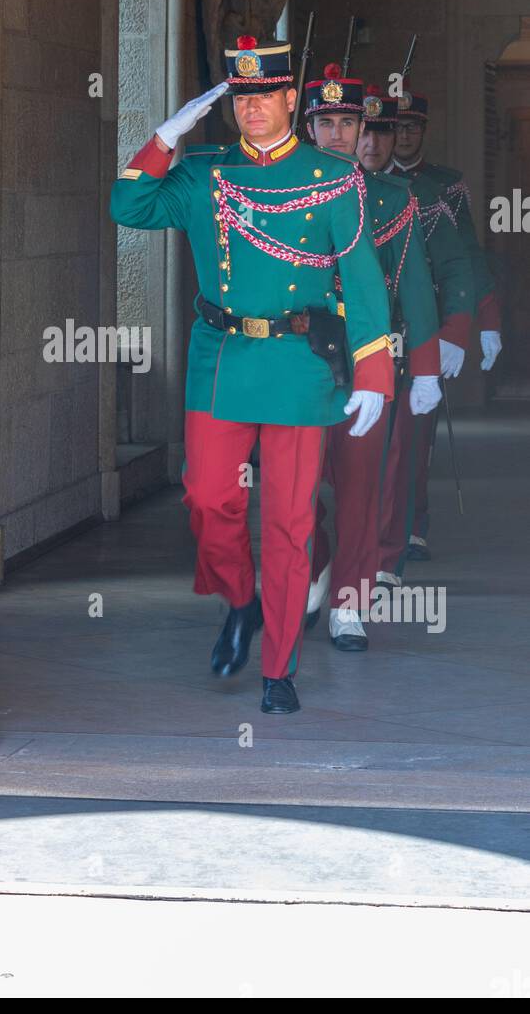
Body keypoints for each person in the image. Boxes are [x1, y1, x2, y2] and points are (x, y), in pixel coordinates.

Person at [110, 37, 393, 715]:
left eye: (265, 96)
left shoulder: (333, 178)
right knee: (209, 499)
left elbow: (358, 277)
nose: (253, 110)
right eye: (240, 99)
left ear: (290, 99)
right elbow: (128, 208)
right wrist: (162, 139)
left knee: (291, 522)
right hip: (222, 358)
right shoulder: (204, 174)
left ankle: (279, 668)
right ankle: (241, 601)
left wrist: (372, 372)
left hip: (299, 366)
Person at [304, 71, 441, 650]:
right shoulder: (281, 190)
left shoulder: (391, 199)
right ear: (308, 127)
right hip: (300, 360)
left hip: (367, 359)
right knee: (298, 486)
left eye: (348, 123)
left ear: (362, 128)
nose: (338, 135)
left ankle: (349, 603)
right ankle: (316, 565)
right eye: (326, 123)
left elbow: (413, 286)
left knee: (361, 489)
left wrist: (428, 366)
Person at [391, 84, 502, 560]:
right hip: (371, 322)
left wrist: (484, 318)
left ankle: (413, 522)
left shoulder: (445, 184)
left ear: (424, 132)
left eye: (413, 127)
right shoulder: (353, 178)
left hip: (426, 319)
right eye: (397, 127)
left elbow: (466, 255)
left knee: (417, 432)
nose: (404, 136)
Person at [373, 89, 475, 585]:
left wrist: (454, 331)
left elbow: (458, 262)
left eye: (382, 131)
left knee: (400, 453)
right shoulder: (318, 186)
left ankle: (389, 551)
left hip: (402, 339)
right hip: (329, 344)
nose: (371, 142)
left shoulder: (422, 196)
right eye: (361, 129)